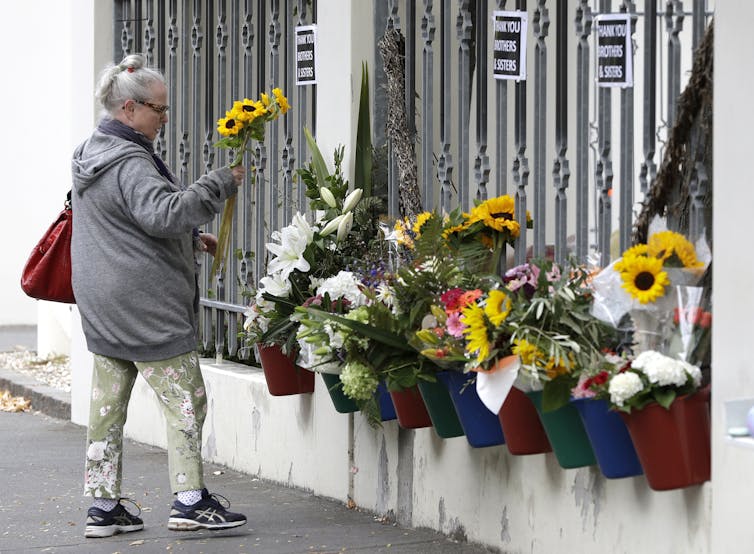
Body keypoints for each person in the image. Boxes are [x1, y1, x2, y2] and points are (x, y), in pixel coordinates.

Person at [71, 53, 247, 538]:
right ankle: (190, 500)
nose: (164, 119)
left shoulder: (92, 150)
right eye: (158, 110)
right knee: (187, 401)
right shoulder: (129, 161)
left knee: (107, 409)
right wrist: (217, 185)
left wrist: (190, 242)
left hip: (104, 305)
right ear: (128, 109)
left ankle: (103, 508)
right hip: (146, 308)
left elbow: (124, 222)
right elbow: (162, 214)